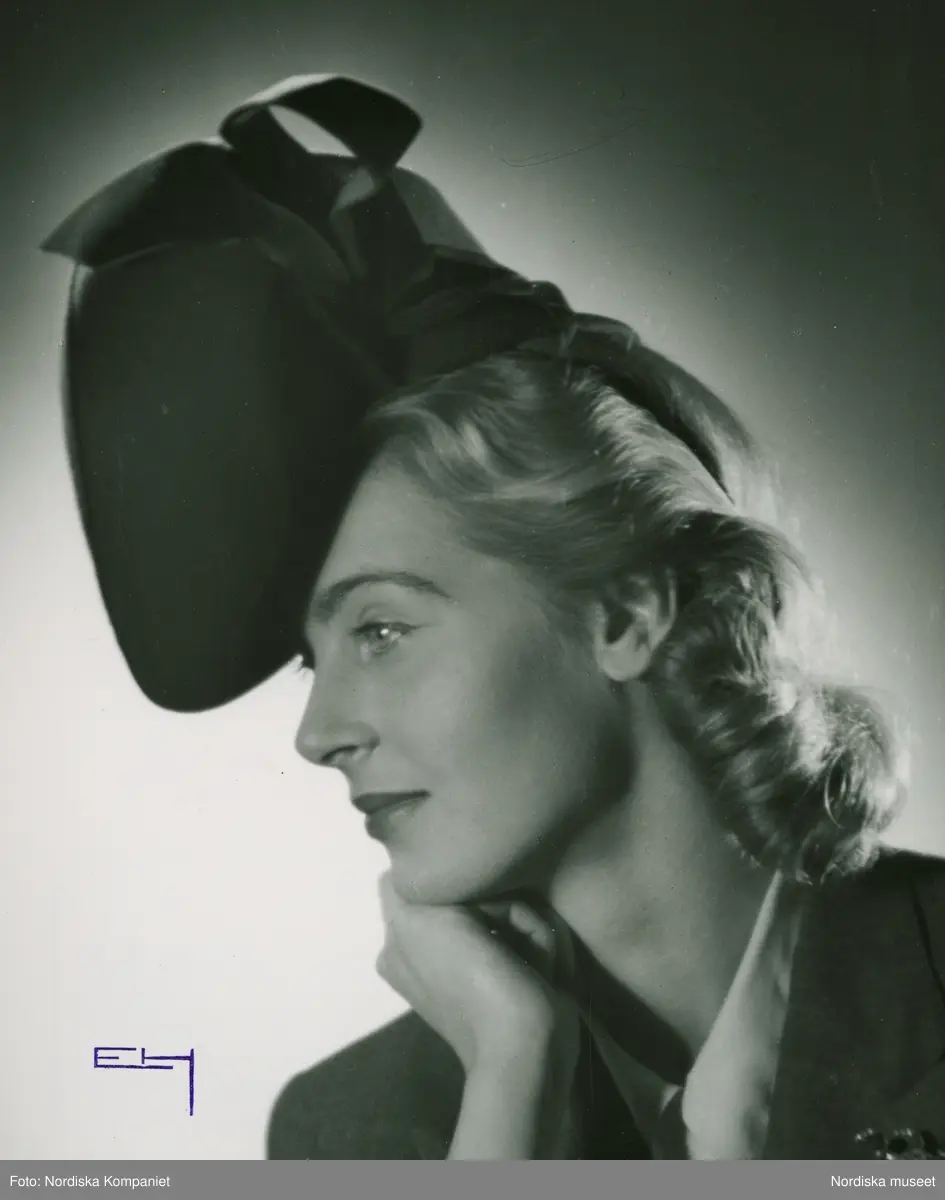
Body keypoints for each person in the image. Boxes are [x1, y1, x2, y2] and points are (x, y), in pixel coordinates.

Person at [264, 330, 945, 1160]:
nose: (316, 735)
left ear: (627, 616)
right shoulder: (339, 1131)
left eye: (380, 631)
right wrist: (514, 1076)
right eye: (313, 663)